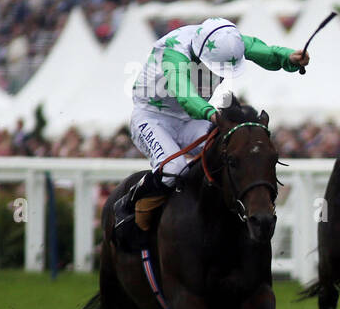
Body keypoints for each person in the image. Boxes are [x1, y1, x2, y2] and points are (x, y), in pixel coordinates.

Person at [114, 17, 307, 251]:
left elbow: (263, 50)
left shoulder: (227, 41)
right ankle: (128, 204)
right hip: (152, 117)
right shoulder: (174, 53)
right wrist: (212, 115)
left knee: (230, 153)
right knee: (173, 169)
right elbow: (185, 95)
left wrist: (289, 58)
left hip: (190, 120)